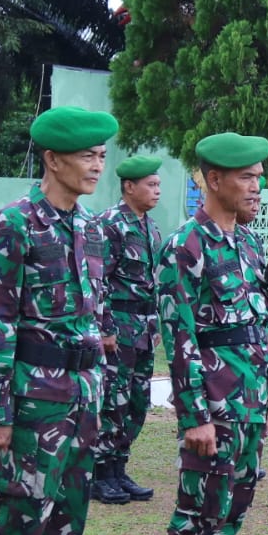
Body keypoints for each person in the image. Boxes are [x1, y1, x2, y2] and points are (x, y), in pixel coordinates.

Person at [0, 105, 114, 535]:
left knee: (68, 513)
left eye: (102, 156)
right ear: (53, 160)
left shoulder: (88, 228)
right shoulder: (16, 223)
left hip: (82, 395)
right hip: (35, 398)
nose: (96, 166)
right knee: (24, 512)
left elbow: (92, 313)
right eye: (87, 156)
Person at [158, 132, 268, 535]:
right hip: (214, 403)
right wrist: (194, 416)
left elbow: (253, 330)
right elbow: (179, 337)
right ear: (213, 179)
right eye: (247, 177)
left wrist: (265, 401)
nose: (258, 185)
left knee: (233, 500)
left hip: (247, 401)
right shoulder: (187, 244)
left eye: (259, 176)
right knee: (200, 502)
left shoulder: (245, 242)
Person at [92, 154, 163, 506]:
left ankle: (119, 467)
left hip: (144, 329)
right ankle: (100, 472)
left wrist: (156, 324)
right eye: (150, 185)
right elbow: (98, 281)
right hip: (117, 328)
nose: (156, 191)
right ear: (129, 187)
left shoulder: (151, 228)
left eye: (158, 185)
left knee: (137, 401)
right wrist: (104, 328)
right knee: (112, 401)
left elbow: (153, 284)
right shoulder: (110, 224)